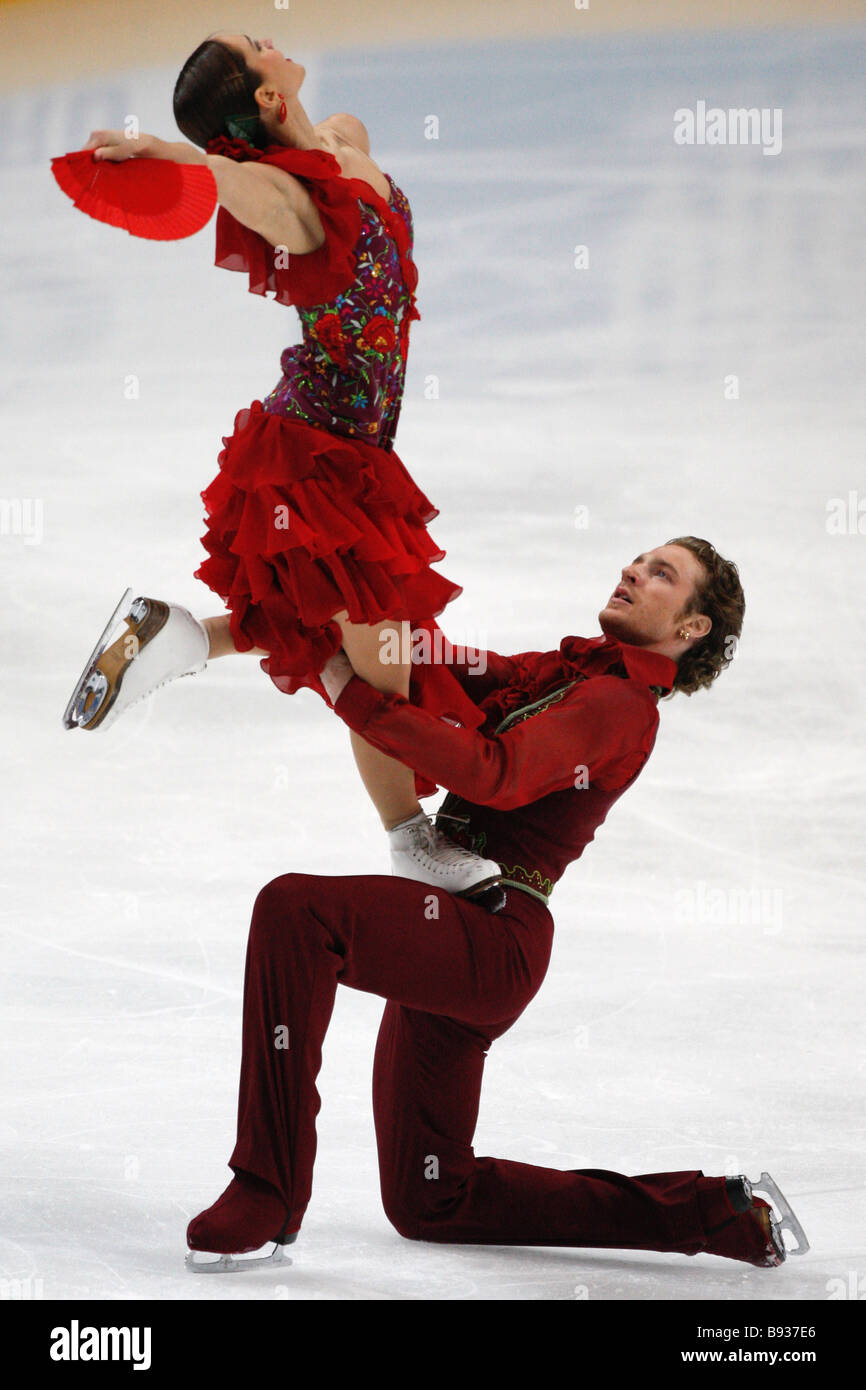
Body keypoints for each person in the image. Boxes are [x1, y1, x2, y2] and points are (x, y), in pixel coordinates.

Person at [184, 538, 809, 1272]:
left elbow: (497, 775)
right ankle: (717, 1213)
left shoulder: (622, 705)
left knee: (297, 913)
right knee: (431, 1198)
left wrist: (345, 685)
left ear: (692, 628)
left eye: (662, 574)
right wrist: (349, 608)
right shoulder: (569, 672)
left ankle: (266, 1191)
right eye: (638, 560)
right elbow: (444, 667)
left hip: (492, 934)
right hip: (452, 920)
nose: (633, 571)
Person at [61, 30, 501, 898]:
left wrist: (287, 136)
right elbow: (233, 182)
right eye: (255, 48)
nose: (271, 36)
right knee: (381, 679)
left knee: (316, 629)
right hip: (321, 464)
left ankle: (171, 639)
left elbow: (330, 144)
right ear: (263, 98)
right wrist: (169, 155)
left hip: (333, 444)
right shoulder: (289, 198)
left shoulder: (340, 141)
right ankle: (408, 840)